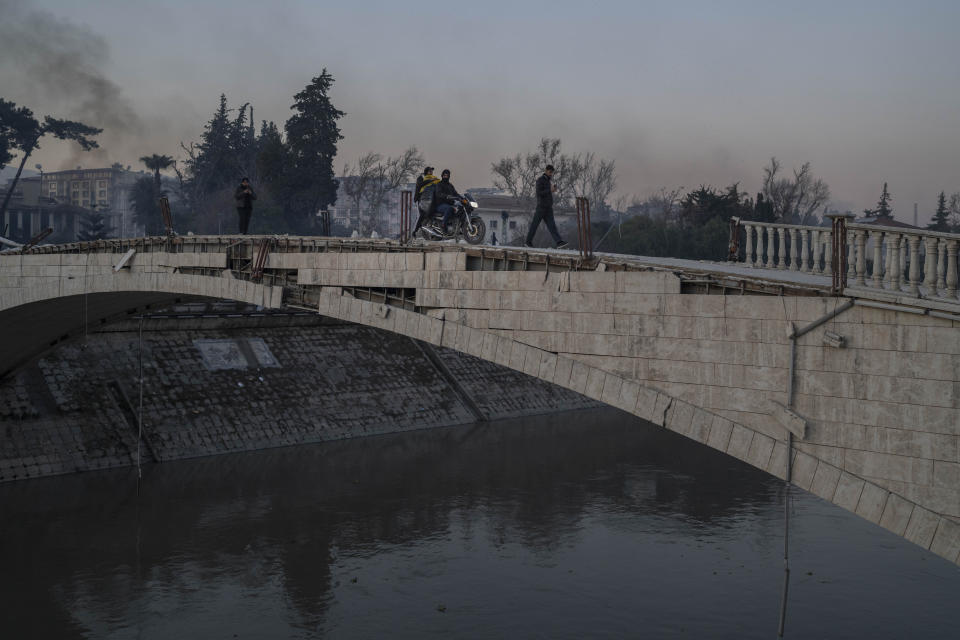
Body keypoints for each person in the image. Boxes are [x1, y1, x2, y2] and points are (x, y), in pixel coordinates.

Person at [524, 164, 567, 249]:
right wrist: (549, 190)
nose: (551, 174)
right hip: (541, 207)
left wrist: (552, 190)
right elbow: (539, 193)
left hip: (548, 208)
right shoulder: (540, 180)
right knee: (535, 225)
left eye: (552, 172)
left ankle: (559, 242)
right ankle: (528, 242)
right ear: (546, 171)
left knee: (552, 225)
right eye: (550, 172)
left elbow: (547, 193)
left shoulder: (548, 181)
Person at [435, 169, 462, 233]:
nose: (446, 177)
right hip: (440, 205)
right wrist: (447, 196)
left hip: (449, 204)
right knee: (450, 208)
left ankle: (457, 226)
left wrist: (462, 198)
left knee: (460, 208)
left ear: (449, 176)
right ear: (442, 176)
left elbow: (455, 193)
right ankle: (443, 225)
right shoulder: (439, 184)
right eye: (444, 175)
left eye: (447, 175)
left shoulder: (450, 185)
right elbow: (438, 194)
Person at [413, 166, 437, 234]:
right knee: (421, 215)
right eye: (430, 171)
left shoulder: (433, 178)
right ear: (426, 172)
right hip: (421, 199)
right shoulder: (421, 178)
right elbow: (419, 185)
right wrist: (430, 181)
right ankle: (415, 231)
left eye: (432, 171)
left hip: (430, 199)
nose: (431, 172)